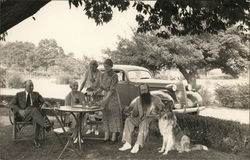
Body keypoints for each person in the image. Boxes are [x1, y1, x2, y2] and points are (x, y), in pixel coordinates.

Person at [119, 84, 164, 153]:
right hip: (140, 119)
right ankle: (127, 143)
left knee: (144, 122)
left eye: (145, 90)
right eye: (142, 90)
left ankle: (138, 145)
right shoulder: (138, 100)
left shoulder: (156, 99)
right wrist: (131, 114)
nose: (144, 92)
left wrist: (155, 116)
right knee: (128, 120)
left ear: (148, 90)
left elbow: (163, 111)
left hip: (152, 120)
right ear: (140, 91)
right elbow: (135, 113)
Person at [9, 80, 53, 148]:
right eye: (30, 86)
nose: (32, 87)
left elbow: (44, 101)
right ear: (25, 86)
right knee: (34, 110)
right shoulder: (19, 94)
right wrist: (19, 110)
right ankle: (46, 125)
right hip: (23, 115)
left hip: (35, 115)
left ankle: (36, 140)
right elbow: (11, 104)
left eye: (33, 86)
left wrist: (44, 104)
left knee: (35, 115)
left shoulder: (36, 94)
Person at [96, 59, 122, 143]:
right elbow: (102, 87)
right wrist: (97, 91)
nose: (105, 68)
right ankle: (106, 136)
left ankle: (114, 137)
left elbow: (112, 90)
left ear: (111, 66)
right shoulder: (103, 75)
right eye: (104, 66)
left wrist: (106, 99)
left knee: (113, 116)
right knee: (106, 115)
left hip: (112, 97)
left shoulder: (114, 76)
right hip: (105, 96)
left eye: (107, 66)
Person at [79, 60, 102, 135]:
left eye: (93, 67)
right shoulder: (87, 72)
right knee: (89, 111)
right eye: (90, 67)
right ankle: (90, 128)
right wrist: (79, 91)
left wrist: (97, 92)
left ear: (96, 66)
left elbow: (102, 86)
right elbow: (83, 82)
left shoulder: (100, 73)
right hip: (89, 94)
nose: (91, 69)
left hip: (97, 94)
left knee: (97, 111)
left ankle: (96, 128)